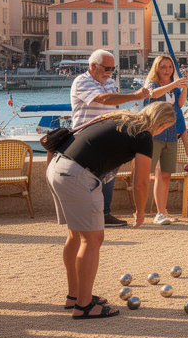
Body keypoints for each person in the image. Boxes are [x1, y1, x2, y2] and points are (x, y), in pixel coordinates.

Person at [51, 102, 175, 318]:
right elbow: (141, 182)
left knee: (76, 235)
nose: (162, 132)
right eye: (165, 128)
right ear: (162, 124)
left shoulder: (121, 117)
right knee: (93, 240)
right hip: (78, 174)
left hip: (57, 166)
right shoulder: (143, 133)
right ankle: (84, 305)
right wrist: (140, 211)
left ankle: (75, 296)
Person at [70, 49, 151, 227]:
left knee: (108, 174)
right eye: (106, 69)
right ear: (93, 66)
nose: (109, 73)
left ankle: (104, 214)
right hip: (86, 137)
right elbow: (103, 99)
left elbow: (113, 105)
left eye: (111, 69)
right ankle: (91, 215)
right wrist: (135, 96)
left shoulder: (111, 82)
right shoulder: (81, 81)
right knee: (91, 177)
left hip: (106, 137)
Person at [142, 55, 188, 226]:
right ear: (157, 68)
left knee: (166, 174)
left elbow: (180, 103)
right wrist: (175, 83)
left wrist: (184, 87)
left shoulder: (173, 88)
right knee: (152, 174)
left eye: (169, 67)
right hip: (155, 135)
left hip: (171, 135)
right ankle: (152, 212)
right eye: (163, 67)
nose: (167, 70)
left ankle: (162, 211)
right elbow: (153, 94)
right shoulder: (152, 84)